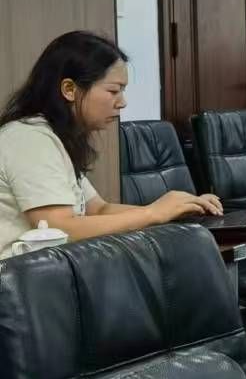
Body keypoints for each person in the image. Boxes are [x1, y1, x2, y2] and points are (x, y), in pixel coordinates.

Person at [0, 30, 221, 257]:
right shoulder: (29, 138)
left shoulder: (55, 137)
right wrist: (153, 213)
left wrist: (174, 211)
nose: (122, 102)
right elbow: (60, 228)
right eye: (113, 90)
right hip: (17, 276)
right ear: (69, 90)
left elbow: (98, 210)